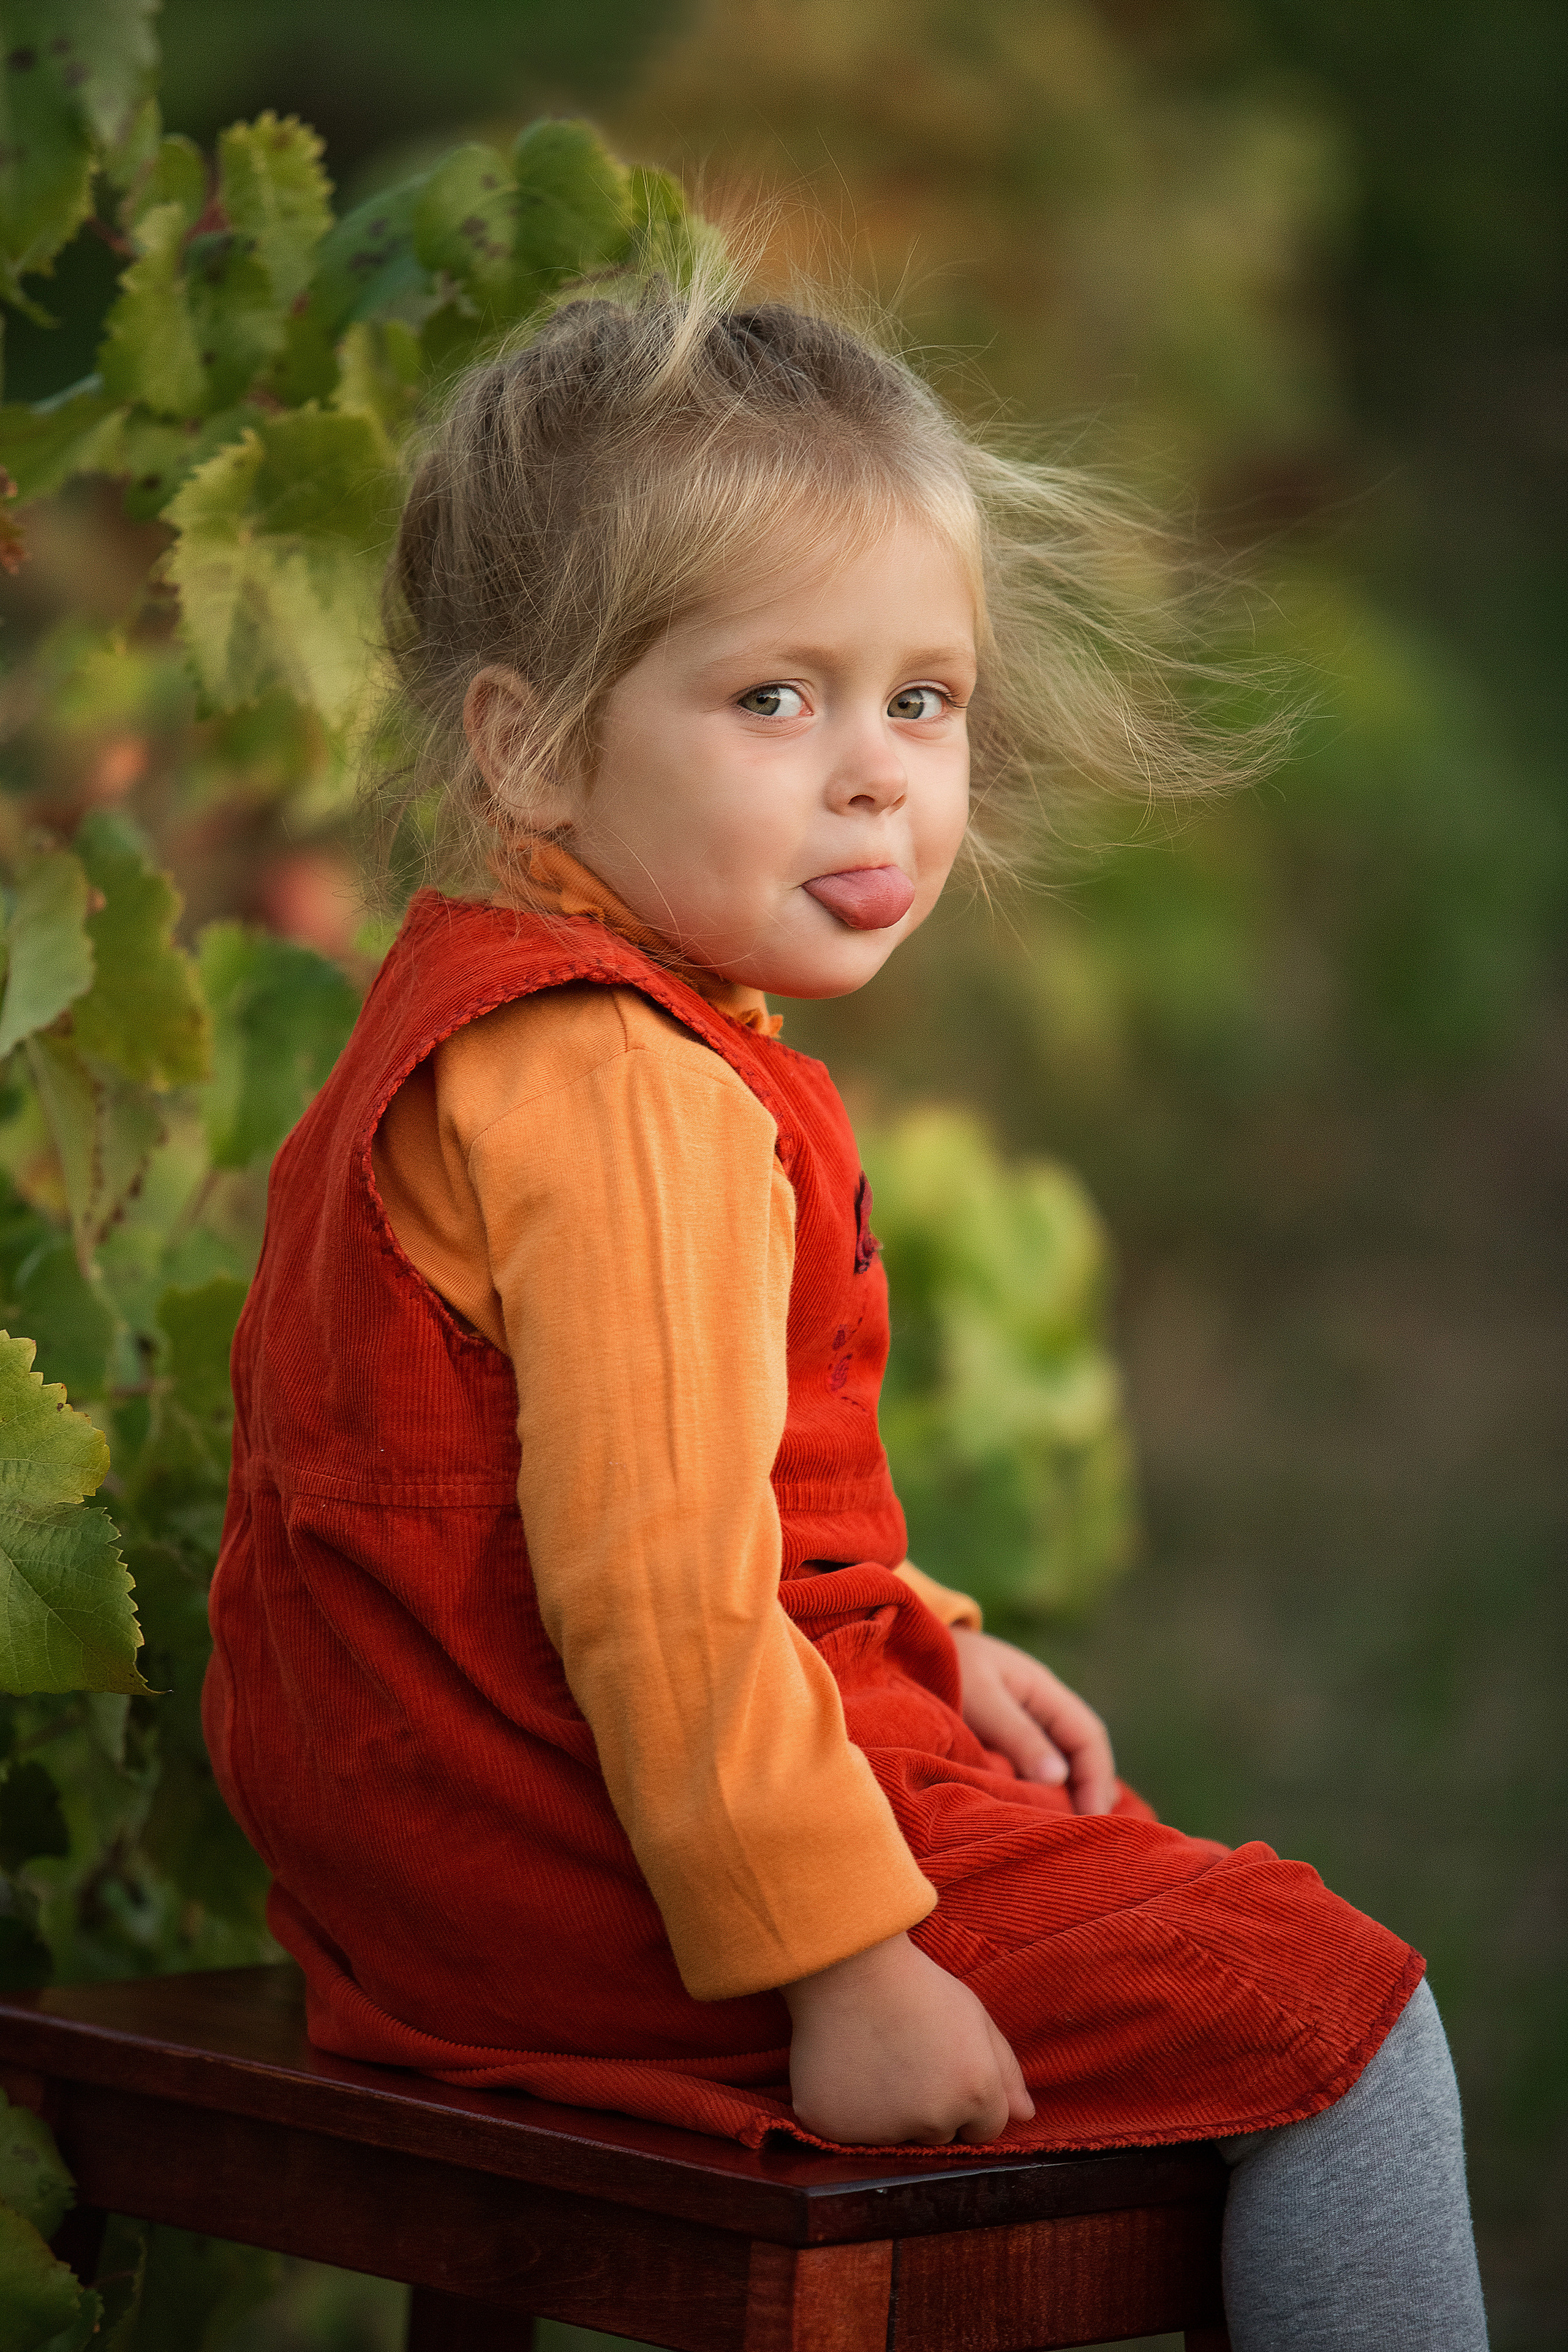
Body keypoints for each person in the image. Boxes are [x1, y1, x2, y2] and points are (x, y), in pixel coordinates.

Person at [203, 274, 1488, 2348]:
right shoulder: (629, 1094)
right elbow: (650, 1588)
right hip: (596, 1891)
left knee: (1158, 1903)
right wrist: (841, 1964)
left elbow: (603, 1498)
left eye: (924, 699)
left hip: (430, 1866)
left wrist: (922, 1639)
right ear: (525, 744)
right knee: (1331, 2018)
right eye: (777, 701)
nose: (878, 777)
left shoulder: (491, 1024)